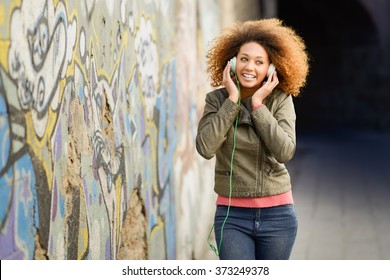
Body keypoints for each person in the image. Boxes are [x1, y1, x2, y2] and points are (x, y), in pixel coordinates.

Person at [196, 18, 309, 260]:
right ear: (233, 61)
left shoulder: (280, 100)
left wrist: (258, 105)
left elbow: (285, 151)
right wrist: (232, 100)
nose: (250, 67)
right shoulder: (217, 101)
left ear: (271, 68)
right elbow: (205, 148)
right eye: (244, 59)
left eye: (259, 62)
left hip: (278, 215)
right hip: (232, 216)